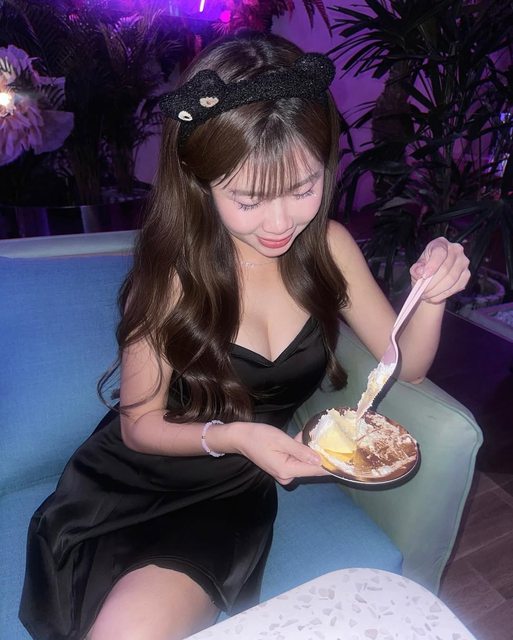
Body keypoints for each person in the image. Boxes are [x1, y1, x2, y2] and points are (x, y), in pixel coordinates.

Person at [19, 31, 470, 640]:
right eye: (249, 199)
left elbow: (405, 365)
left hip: (223, 500)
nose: (281, 221)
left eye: (304, 188)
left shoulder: (331, 248)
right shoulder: (171, 274)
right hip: (131, 479)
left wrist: (433, 296)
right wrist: (233, 436)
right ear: (201, 179)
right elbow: (137, 425)